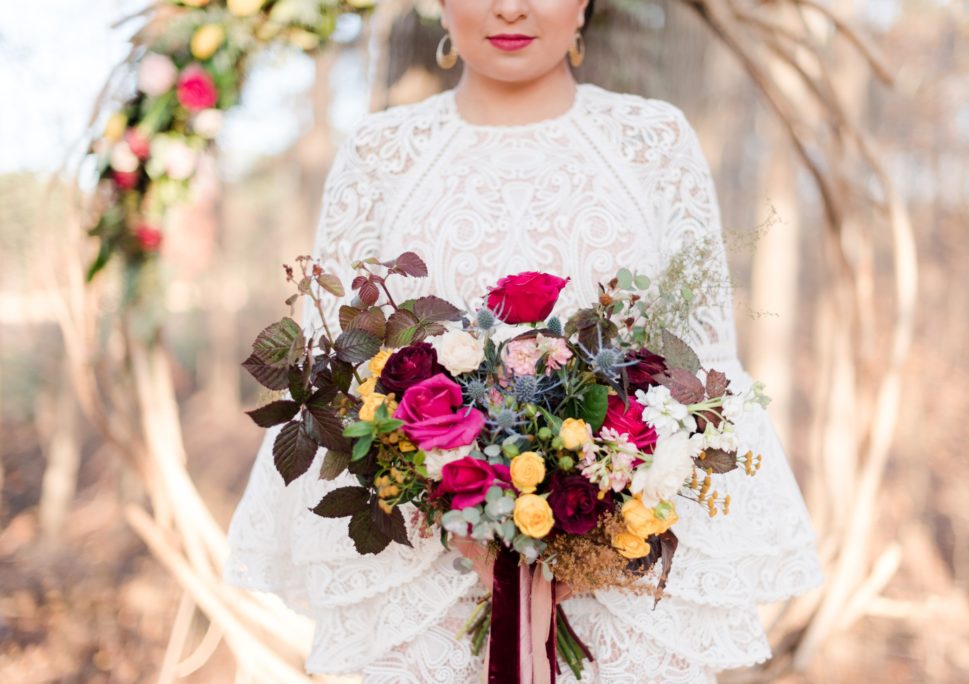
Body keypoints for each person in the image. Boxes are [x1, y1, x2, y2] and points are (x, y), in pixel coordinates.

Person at [223, 0, 823, 680]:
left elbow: (700, 368)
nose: (511, 7)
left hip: (618, 576)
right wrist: (449, 503)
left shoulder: (653, 141)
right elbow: (340, 371)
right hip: (421, 569)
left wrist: (595, 518)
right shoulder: (381, 153)